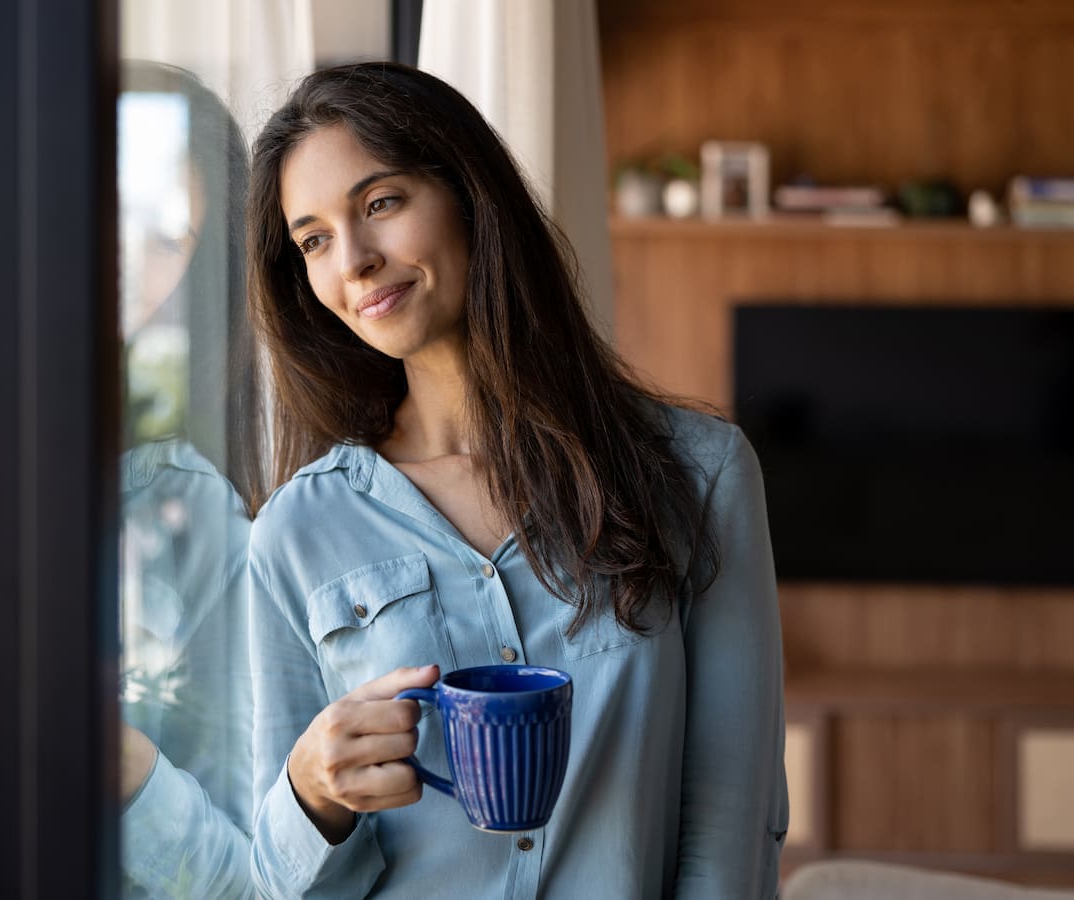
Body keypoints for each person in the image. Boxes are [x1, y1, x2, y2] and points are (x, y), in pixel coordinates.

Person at [246, 62, 787, 899]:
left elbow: (728, 821)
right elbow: (276, 881)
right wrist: (313, 794)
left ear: (469, 194)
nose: (352, 260)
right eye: (313, 239)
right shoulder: (295, 531)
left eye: (380, 203)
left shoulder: (698, 474)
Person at [116, 61, 259, 898]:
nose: (126, 259)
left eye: (167, 239)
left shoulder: (198, 520)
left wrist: (123, 768)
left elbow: (250, 880)